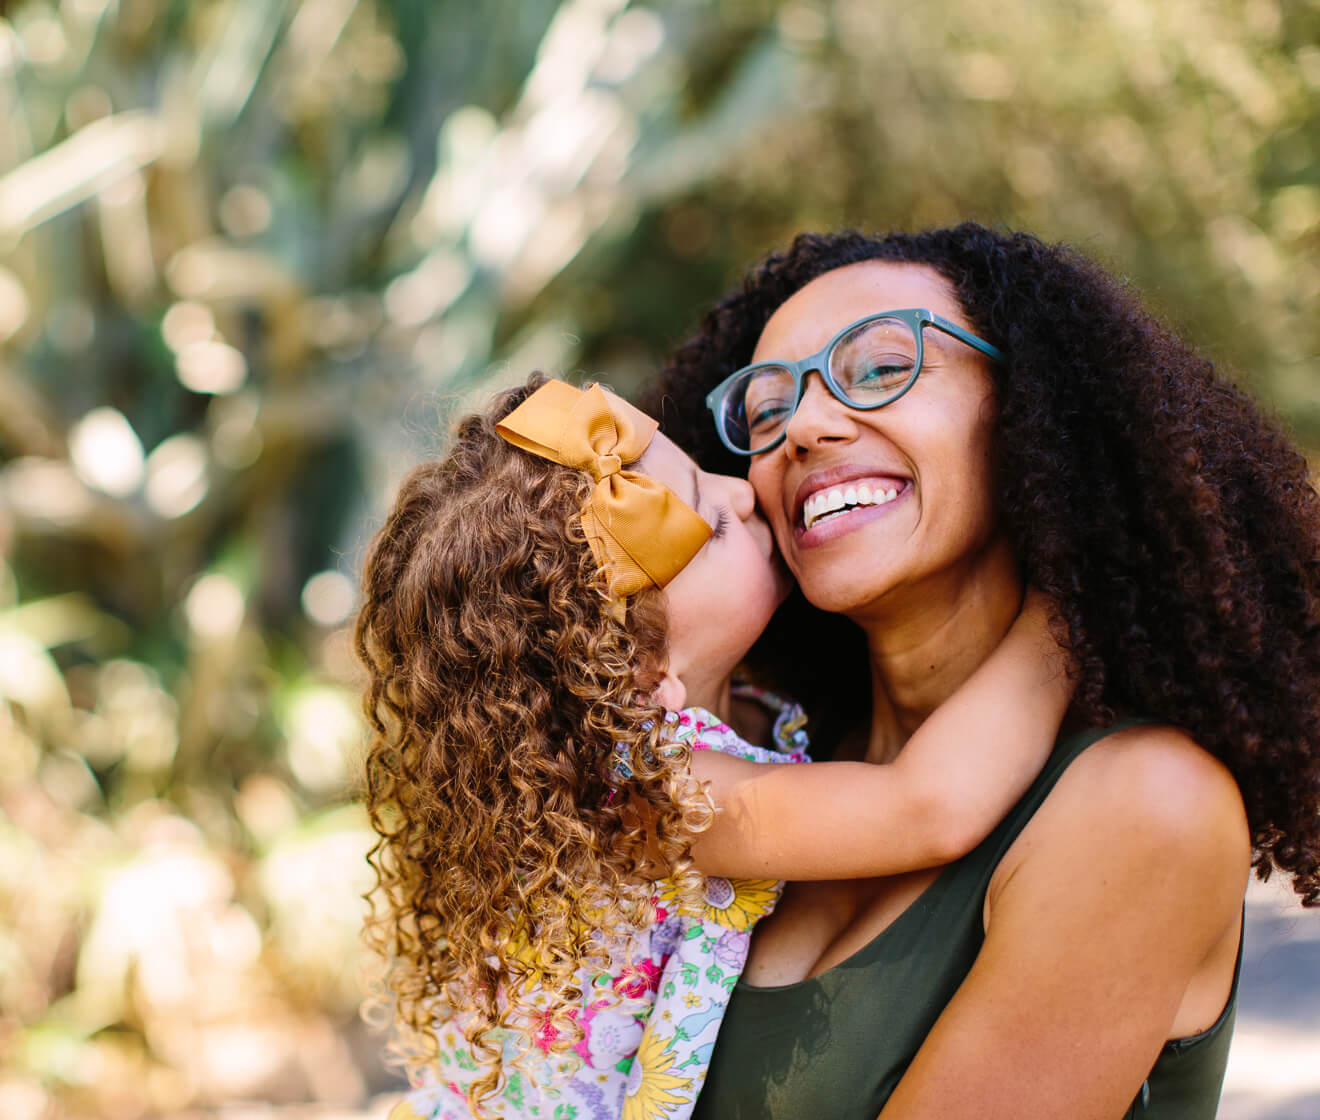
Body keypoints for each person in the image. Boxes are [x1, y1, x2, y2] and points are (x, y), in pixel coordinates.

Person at [641, 222, 1320, 1119]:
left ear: (1036, 412)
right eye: (766, 412)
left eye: (882, 367)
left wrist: (1091, 569)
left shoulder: (1144, 803)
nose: (803, 426)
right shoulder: (761, 779)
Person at [355, 375, 1073, 1119]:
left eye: (703, 471)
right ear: (641, 669)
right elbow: (931, 806)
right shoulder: (666, 797)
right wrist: (1071, 605)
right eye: (712, 521)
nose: (739, 493)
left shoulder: (715, 719)